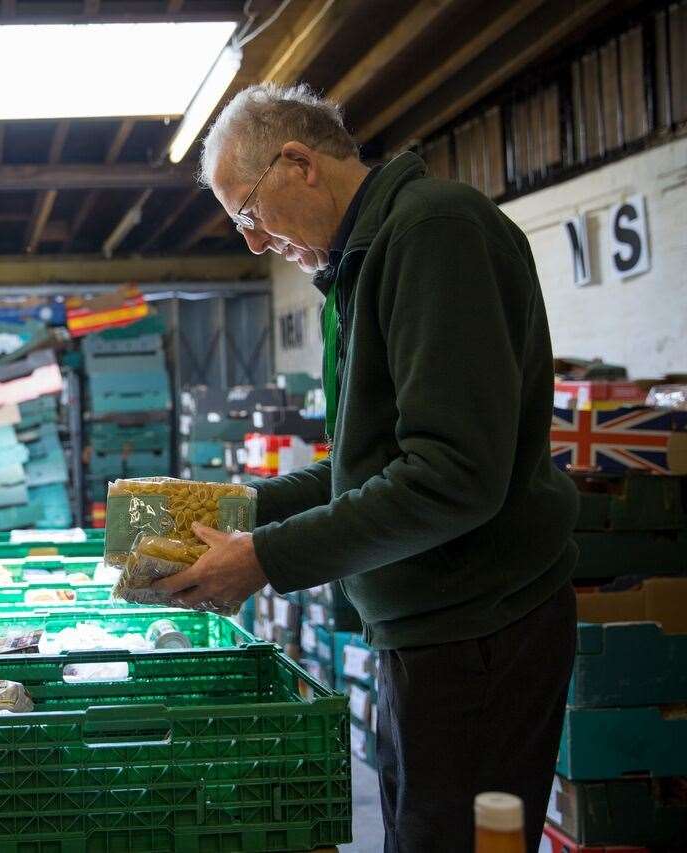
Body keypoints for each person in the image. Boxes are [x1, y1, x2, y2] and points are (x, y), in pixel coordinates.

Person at [154, 83, 578, 853]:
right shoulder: (366, 260)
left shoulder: (434, 232)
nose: (252, 242)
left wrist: (265, 559)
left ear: (297, 164)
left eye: (248, 213)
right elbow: (366, 465)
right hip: (428, 627)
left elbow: (450, 475)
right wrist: (242, 508)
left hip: (479, 629)